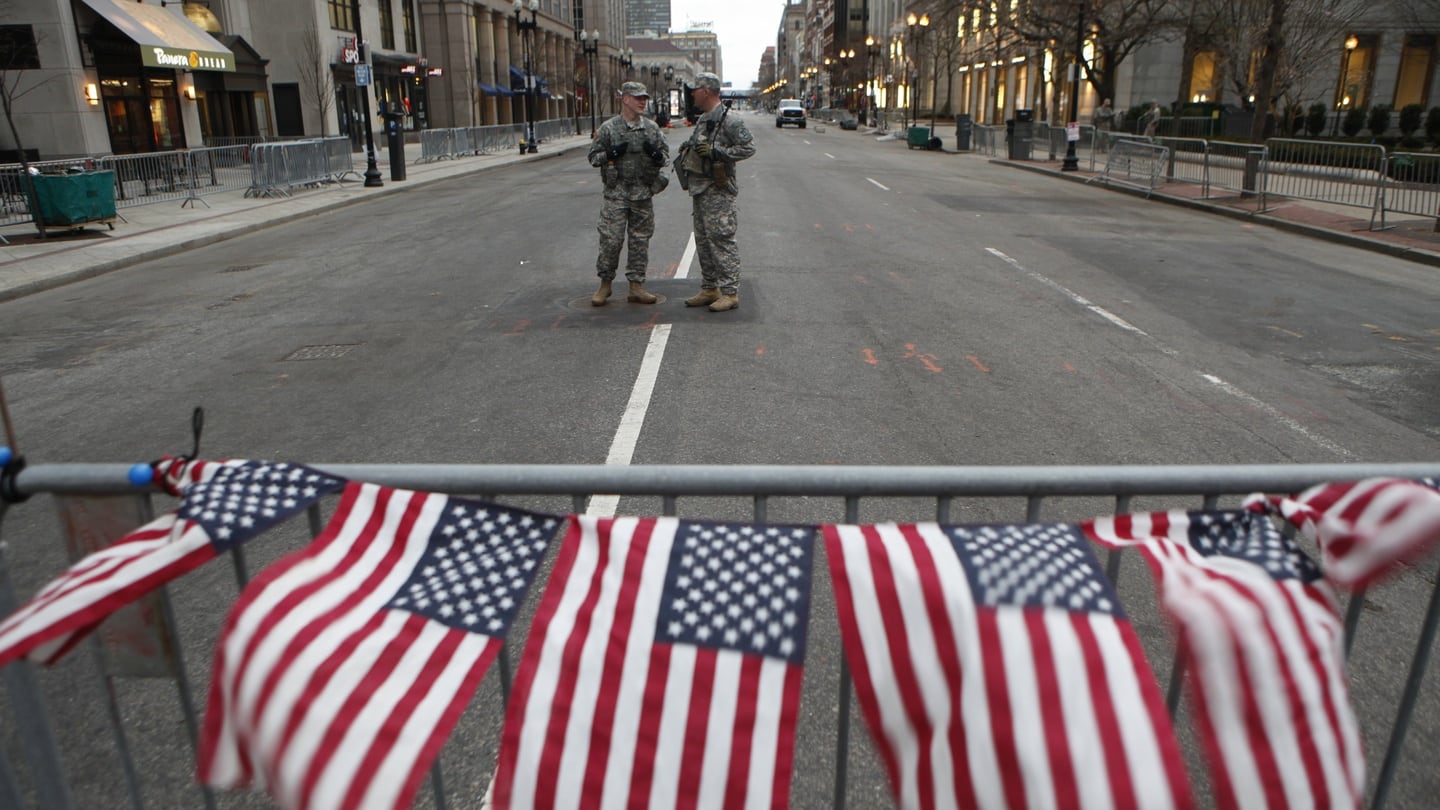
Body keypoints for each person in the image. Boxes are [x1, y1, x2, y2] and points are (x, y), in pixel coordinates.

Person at [674, 72, 755, 312]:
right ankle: (710, 287)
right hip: (700, 189)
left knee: (721, 240)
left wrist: (716, 150)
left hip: (718, 191)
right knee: (703, 241)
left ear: (706, 91)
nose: (692, 94)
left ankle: (730, 292)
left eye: (695, 89)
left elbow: (748, 148)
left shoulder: (729, 119)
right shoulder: (704, 119)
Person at [587, 81, 670, 307]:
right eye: (637, 98)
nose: (643, 102)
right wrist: (611, 153)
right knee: (611, 240)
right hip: (617, 194)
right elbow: (594, 157)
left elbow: (665, 157)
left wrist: (655, 155)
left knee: (640, 241)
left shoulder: (651, 129)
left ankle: (636, 286)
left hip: (642, 194)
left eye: (644, 98)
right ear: (625, 99)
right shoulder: (609, 128)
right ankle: (605, 284)